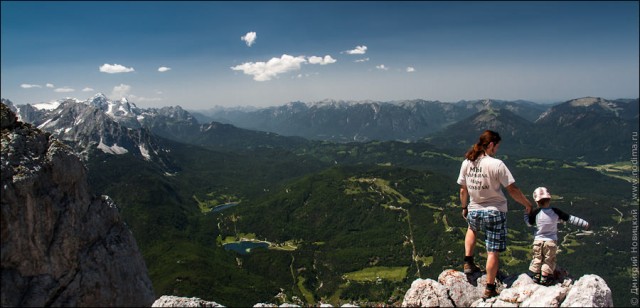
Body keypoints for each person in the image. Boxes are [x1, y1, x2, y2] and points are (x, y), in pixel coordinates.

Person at [457, 130, 533, 299]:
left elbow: (463, 189)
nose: (497, 150)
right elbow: (512, 189)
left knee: (471, 228)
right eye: (496, 146)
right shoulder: (497, 164)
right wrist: (527, 204)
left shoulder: (467, 163)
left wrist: (464, 207)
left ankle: (468, 262)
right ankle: (490, 287)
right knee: (492, 252)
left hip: (474, 208)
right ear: (491, 145)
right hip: (495, 211)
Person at [525, 187, 590, 286]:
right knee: (548, 260)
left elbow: (529, 223)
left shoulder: (536, 212)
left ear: (536, 201)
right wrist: (584, 224)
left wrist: (526, 214)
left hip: (538, 240)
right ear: (549, 199)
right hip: (551, 241)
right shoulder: (555, 211)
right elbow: (570, 218)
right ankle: (544, 278)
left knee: (537, 258)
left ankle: (535, 276)